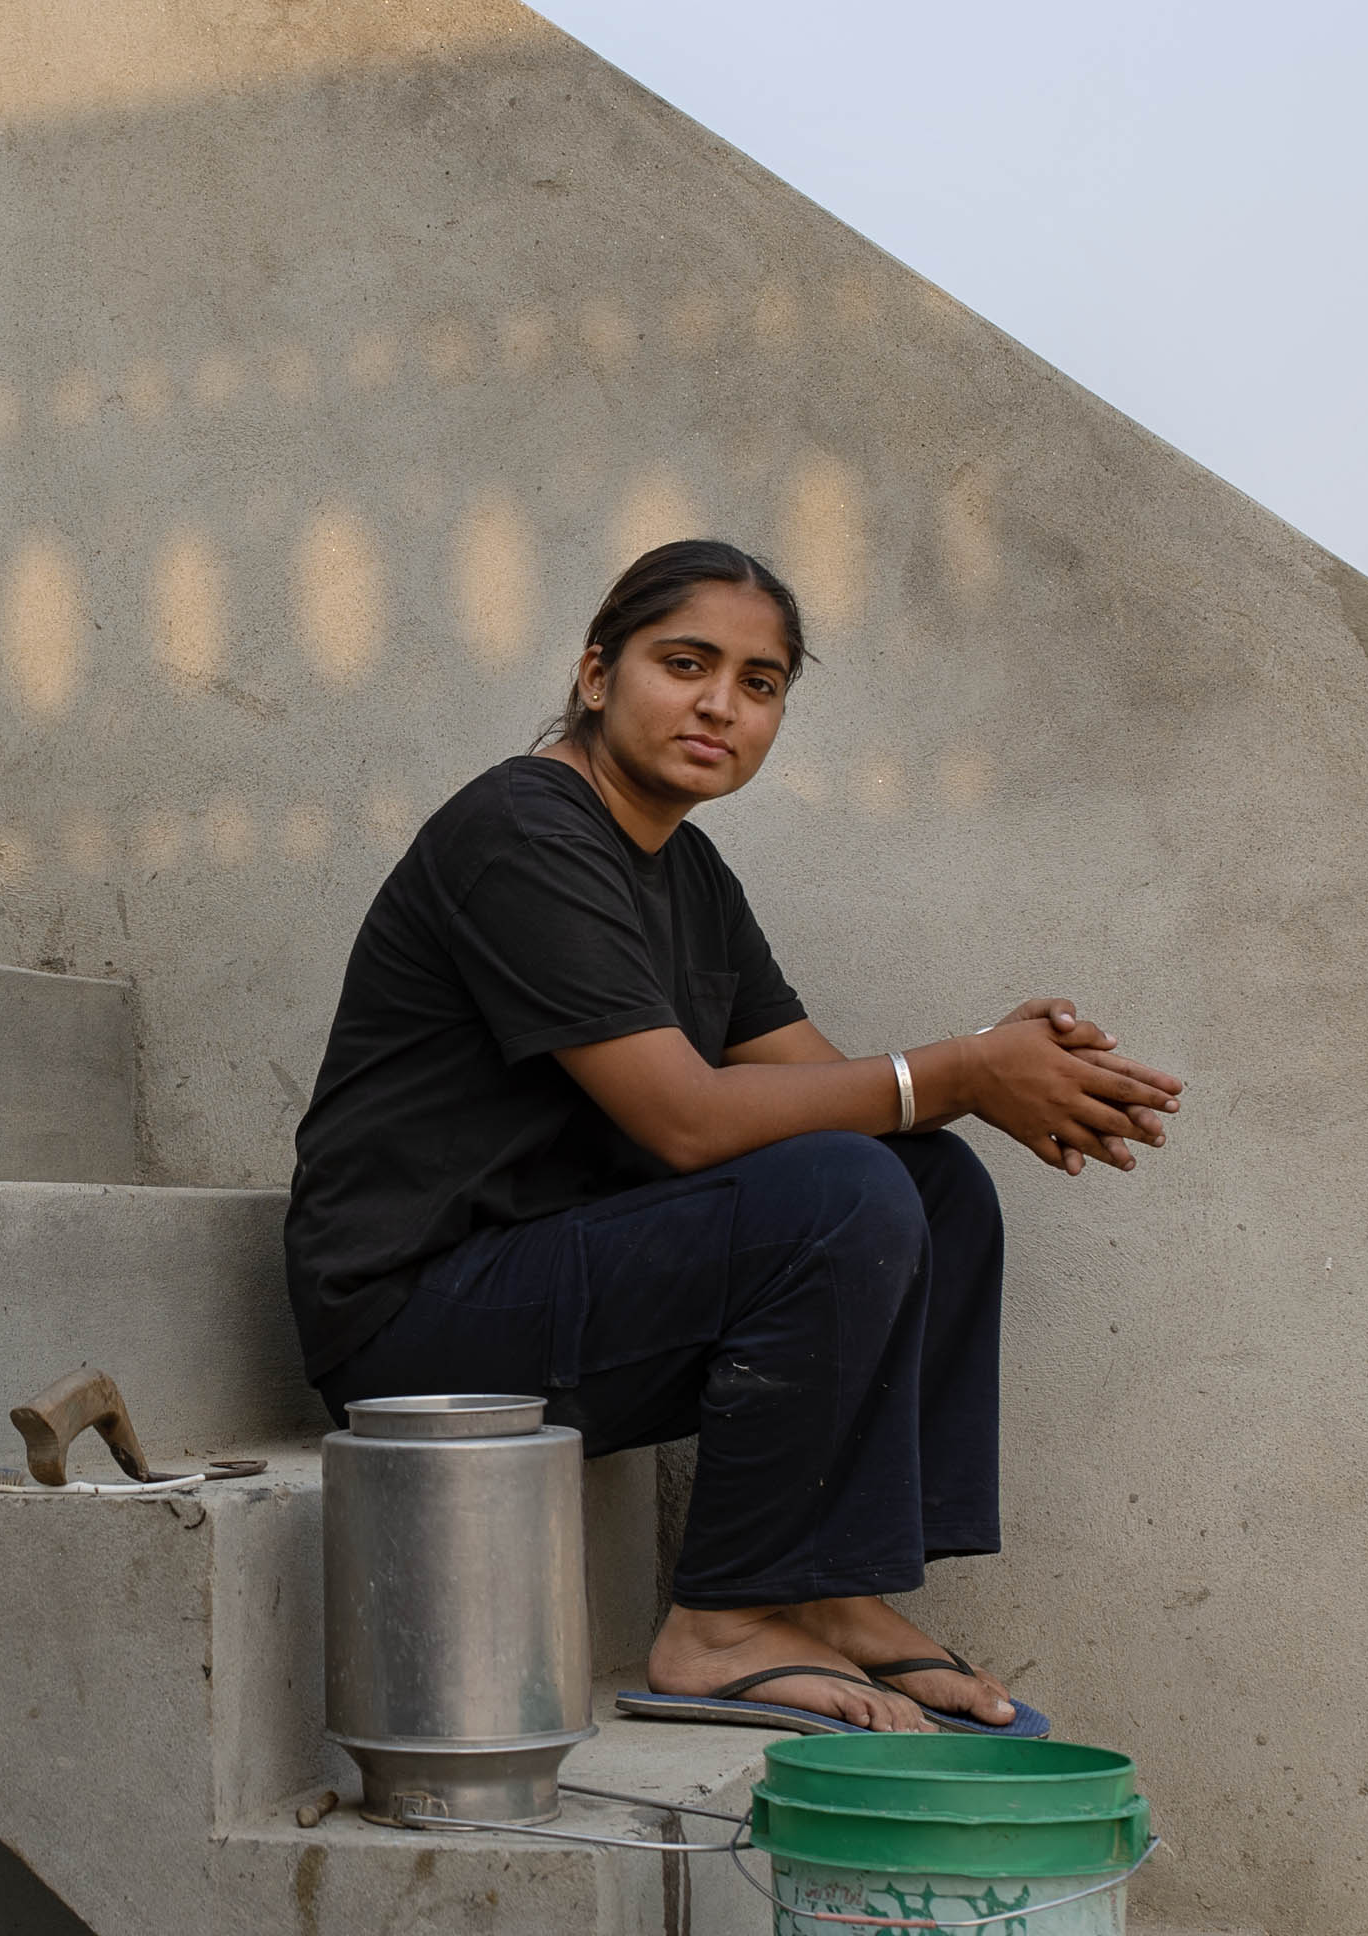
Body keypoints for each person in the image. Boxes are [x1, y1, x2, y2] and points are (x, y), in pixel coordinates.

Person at [281, 537, 1186, 1735]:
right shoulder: (521, 831)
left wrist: (983, 1069)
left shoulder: (688, 873)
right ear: (597, 674)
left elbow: (822, 1087)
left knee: (927, 1182)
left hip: (563, 1291)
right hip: (417, 1328)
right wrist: (962, 1068)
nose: (721, 705)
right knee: (844, 1190)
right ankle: (716, 1628)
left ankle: (835, 1589)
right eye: (686, 662)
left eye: (759, 685)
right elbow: (688, 1118)